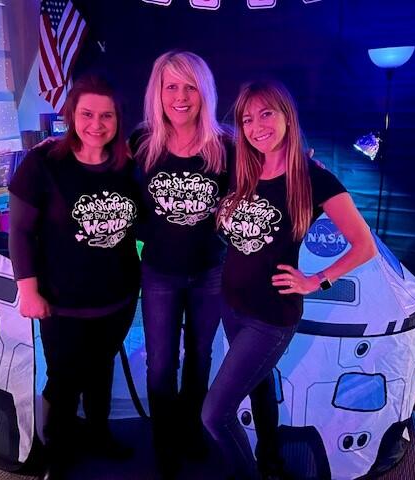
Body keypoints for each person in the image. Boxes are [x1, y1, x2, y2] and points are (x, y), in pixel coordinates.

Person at [202, 80, 377, 479]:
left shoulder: (313, 178)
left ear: (287, 116)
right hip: (232, 304)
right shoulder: (243, 169)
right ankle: (271, 461)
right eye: (247, 119)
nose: (256, 126)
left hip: (271, 315)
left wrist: (317, 280)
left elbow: (364, 245)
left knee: (215, 413)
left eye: (266, 113)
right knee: (260, 384)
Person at [8, 74, 140, 479]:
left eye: (106, 115)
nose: (96, 124)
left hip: (117, 297)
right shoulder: (43, 163)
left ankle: (99, 434)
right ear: (71, 115)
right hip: (61, 300)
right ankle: (58, 449)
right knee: (64, 378)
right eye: (87, 114)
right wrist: (28, 290)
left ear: (118, 119)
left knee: (101, 370)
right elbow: (19, 232)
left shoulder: (129, 165)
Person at [129, 50, 232, 478]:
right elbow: (97, 167)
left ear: (204, 92)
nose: (181, 96)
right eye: (171, 86)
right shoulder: (141, 142)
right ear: (158, 91)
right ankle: (163, 442)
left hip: (211, 270)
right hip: (159, 271)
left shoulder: (226, 145)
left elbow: (264, 181)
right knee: (159, 363)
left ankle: (191, 430)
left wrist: (304, 164)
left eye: (190, 87)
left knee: (200, 356)